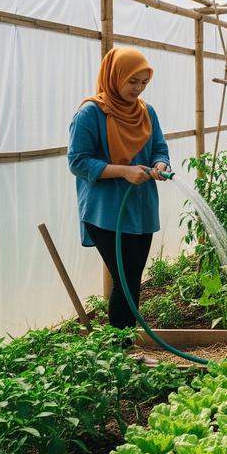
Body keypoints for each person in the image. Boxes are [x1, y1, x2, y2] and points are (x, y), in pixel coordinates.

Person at [68, 47, 170, 365]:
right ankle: (121, 354)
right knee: (124, 280)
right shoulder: (90, 114)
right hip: (106, 212)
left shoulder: (146, 112)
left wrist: (160, 164)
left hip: (141, 209)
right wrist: (123, 171)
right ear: (114, 78)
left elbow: (160, 148)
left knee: (132, 277)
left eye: (143, 83)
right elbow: (78, 162)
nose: (138, 89)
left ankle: (121, 353)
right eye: (132, 82)